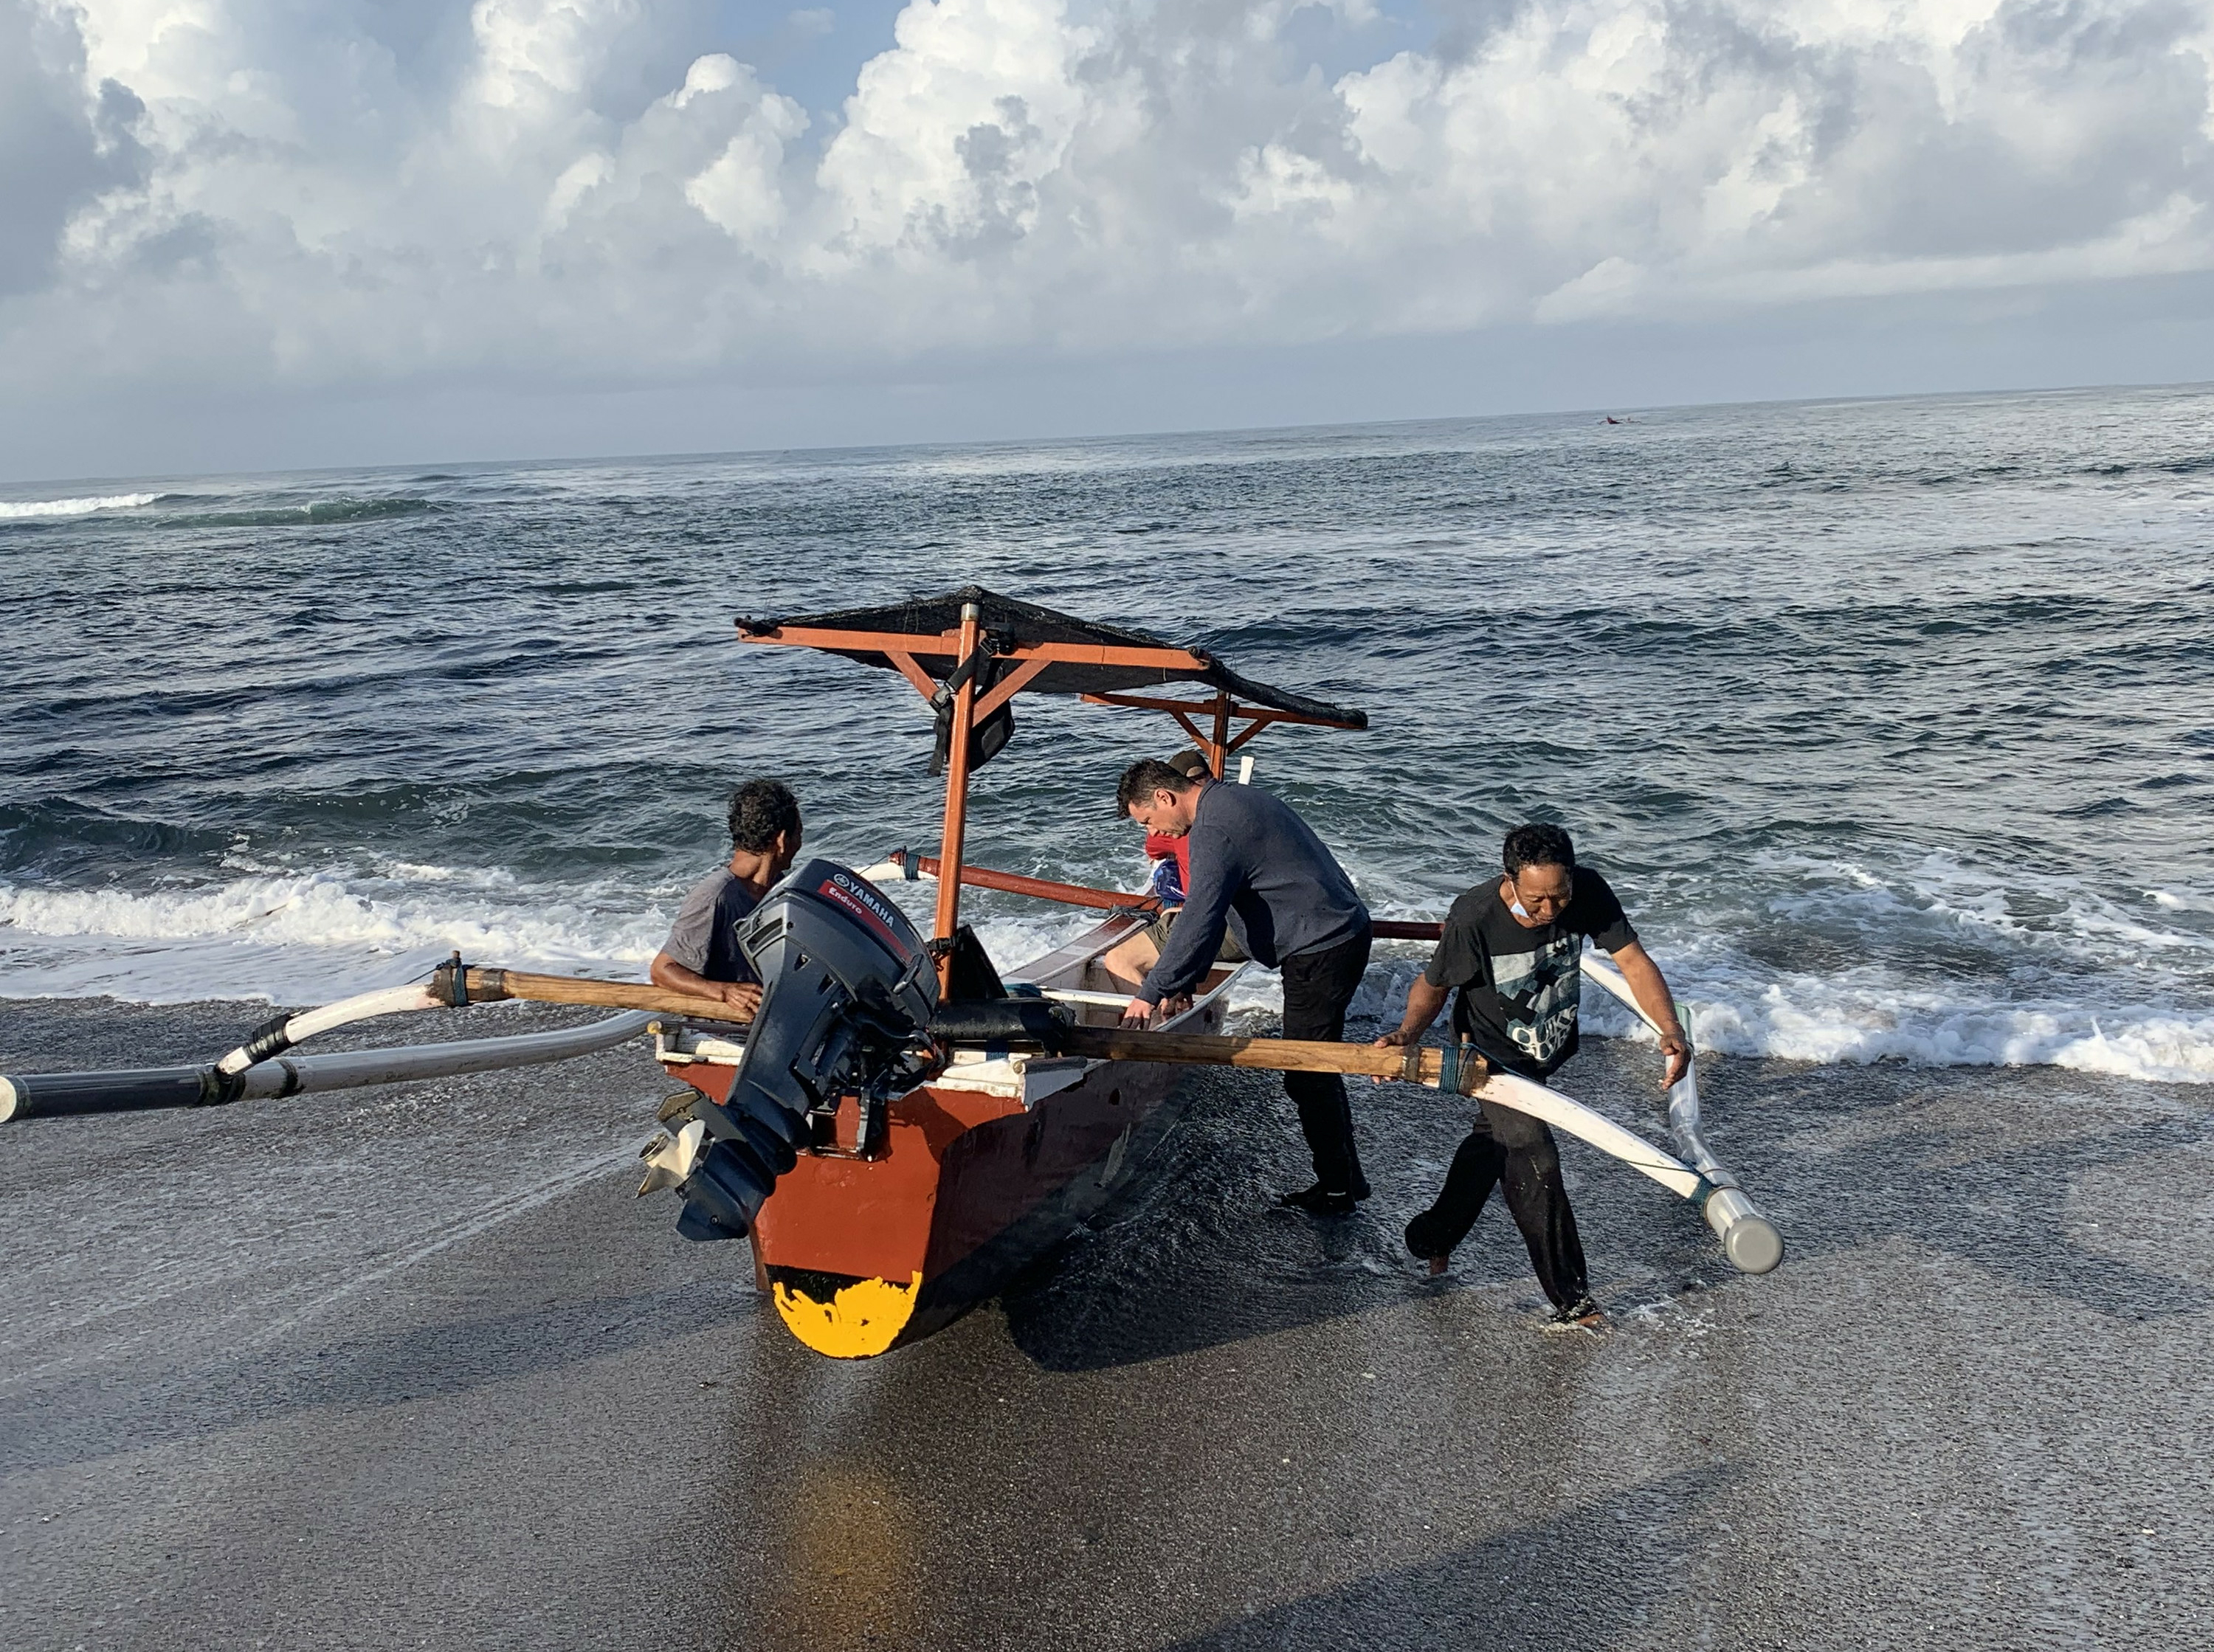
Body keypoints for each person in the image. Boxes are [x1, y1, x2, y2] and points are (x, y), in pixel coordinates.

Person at [1373, 823, 1690, 1330]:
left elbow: (1633, 961)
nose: (1550, 909)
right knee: (1532, 1152)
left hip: (1545, 1046)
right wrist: (1406, 1034)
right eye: (1537, 899)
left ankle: (1431, 1237)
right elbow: (1434, 985)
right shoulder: (1475, 915)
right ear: (1510, 879)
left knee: (1493, 1143)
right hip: (1490, 1057)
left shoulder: (1588, 891)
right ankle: (1574, 1301)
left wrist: (1669, 1028)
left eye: (1559, 896)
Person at [1115, 757, 1373, 1214]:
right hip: (1333, 932)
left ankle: (1338, 1192)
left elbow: (1200, 916)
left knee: (1307, 1073)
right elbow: (1214, 916)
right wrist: (1184, 979)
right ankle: (1347, 1181)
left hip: (1322, 945)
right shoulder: (1233, 799)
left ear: (1164, 796)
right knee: (1318, 1067)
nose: (1156, 833)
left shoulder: (1213, 829)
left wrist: (1151, 992)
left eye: (1149, 821)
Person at [649, 779, 804, 1020]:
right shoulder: (715, 895)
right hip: (719, 1030)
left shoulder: (779, 888)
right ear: (782, 840)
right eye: (799, 834)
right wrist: (724, 991)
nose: (800, 844)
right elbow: (662, 970)